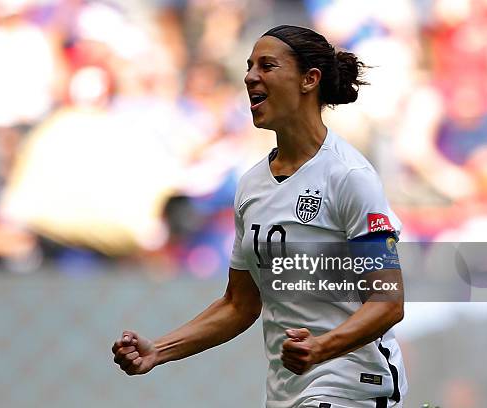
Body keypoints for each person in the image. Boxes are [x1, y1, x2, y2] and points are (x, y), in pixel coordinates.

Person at [112, 25, 407, 408]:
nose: (250, 76)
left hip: (352, 384)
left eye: (267, 66)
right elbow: (239, 304)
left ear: (309, 80)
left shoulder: (350, 177)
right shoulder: (252, 185)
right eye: (250, 66)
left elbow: (388, 303)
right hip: (287, 391)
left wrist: (321, 348)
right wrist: (159, 350)